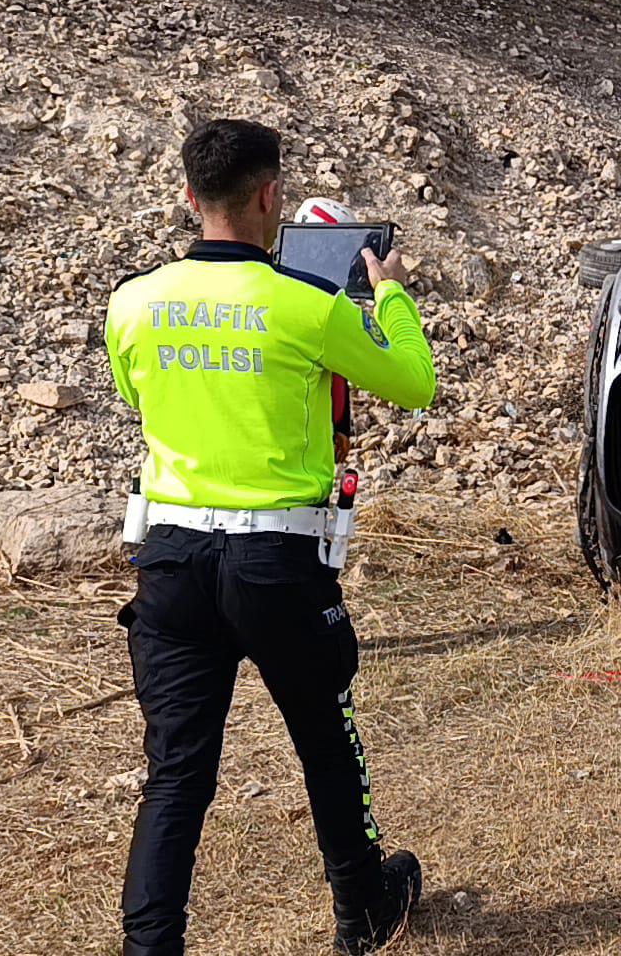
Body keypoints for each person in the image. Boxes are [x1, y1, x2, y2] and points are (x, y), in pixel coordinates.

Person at [104, 118, 437, 956]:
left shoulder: (132, 304)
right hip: (277, 562)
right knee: (324, 739)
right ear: (270, 196)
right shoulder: (308, 304)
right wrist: (389, 291)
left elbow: (136, 394)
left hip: (171, 559)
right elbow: (415, 381)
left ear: (190, 197)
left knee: (176, 777)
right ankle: (364, 908)